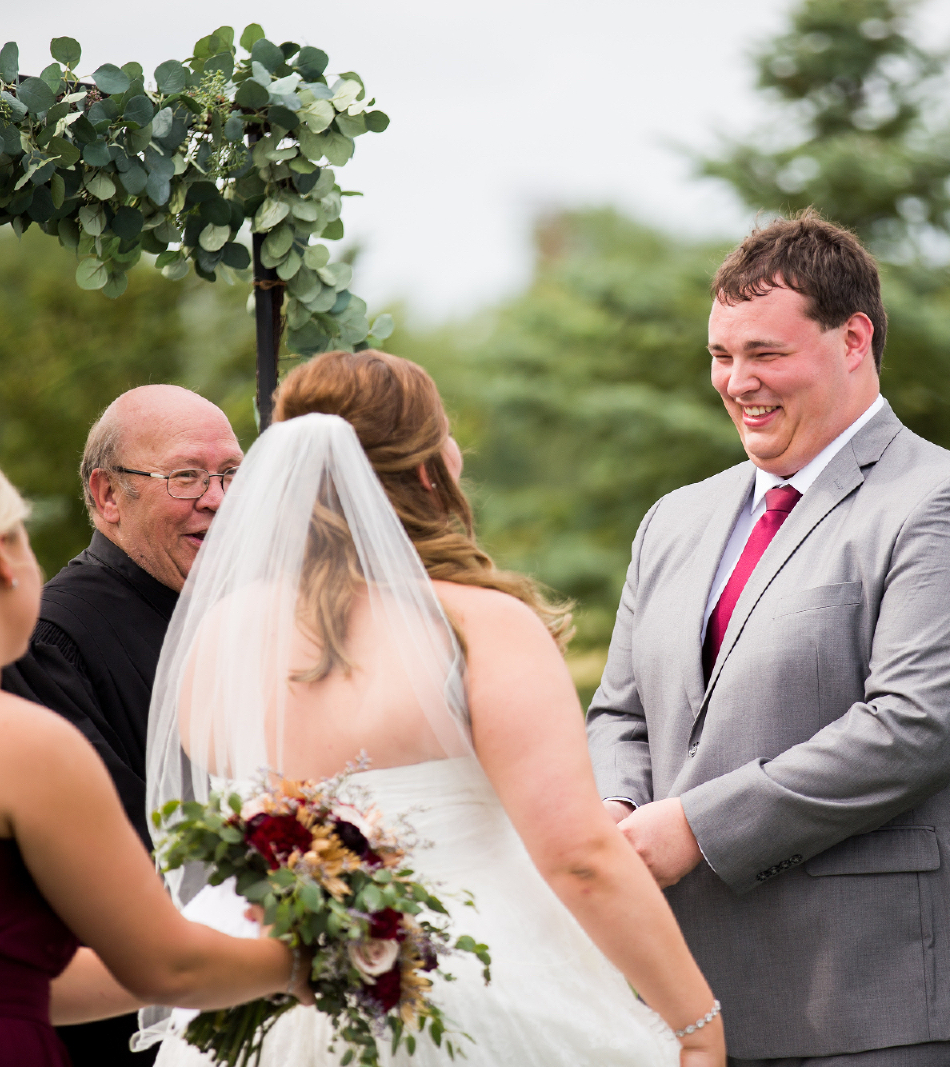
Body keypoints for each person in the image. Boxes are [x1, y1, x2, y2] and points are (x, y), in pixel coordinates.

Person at [585, 211, 950, 1066]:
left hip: (893, 1004)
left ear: (854, 339)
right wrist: (617, 811)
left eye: (765, 354)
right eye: (720, 356)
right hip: (693, 1004)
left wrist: (696, 828)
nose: (737, 381)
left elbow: (913, 729)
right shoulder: (675, 519)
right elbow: (620, 712)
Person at [141, 350, 725, 1066]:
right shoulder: (477, 626)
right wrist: (697, 1023)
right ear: (427, 468)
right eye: (445, 434)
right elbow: (579, 858)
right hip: (464, 995)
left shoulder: (219, 636)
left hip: (265, 1003)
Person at [0, 440, 312, 1067]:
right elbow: (166, 964)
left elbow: (27, 980)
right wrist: (301, 960)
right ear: (5, 555)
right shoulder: (21, 741)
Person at [2, 384, 244, 1064]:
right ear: (108, 496)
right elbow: (110, 860)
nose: (218, 499)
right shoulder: (50, 639)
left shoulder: (245, 618)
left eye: (232, 474)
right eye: (187, 476)